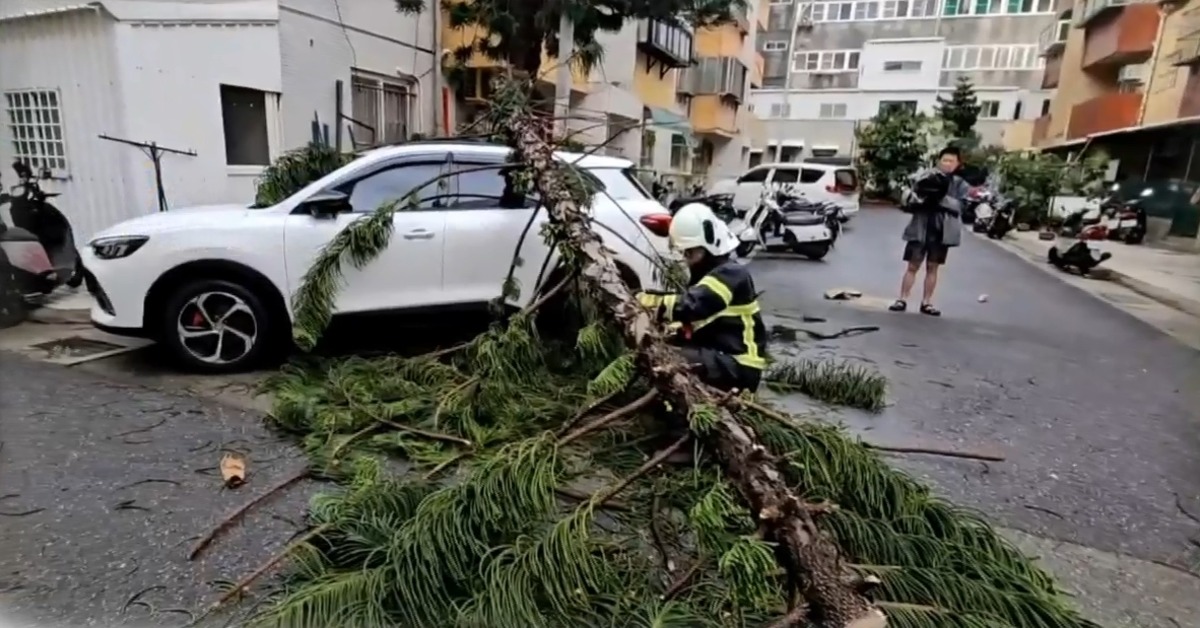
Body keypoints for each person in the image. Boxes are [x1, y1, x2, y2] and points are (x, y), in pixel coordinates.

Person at [635, 203, 767, 393]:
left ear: (709, 246)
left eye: (689, 252)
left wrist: (648, 302)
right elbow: (701, 318)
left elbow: (692, 305)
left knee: (669, 358)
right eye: (684, 253)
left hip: (738, 365)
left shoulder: (731, 274)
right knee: (664, 350)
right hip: (723, 356)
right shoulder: (715, 274)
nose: (686, 259)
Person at [889, 146, 967, 317]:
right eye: (944, 160)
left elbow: (961, 206)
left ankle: (927, 302)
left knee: (933, 267)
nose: (947, 164)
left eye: (951, 161)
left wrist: (940, 198)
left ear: (957, 164)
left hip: (942, 231)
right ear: (939, 161)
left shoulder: (959, 184)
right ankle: (902, 299)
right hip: (920, 227)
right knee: (912, 265)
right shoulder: (925, 176)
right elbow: (909, 198)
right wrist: (921, 196)